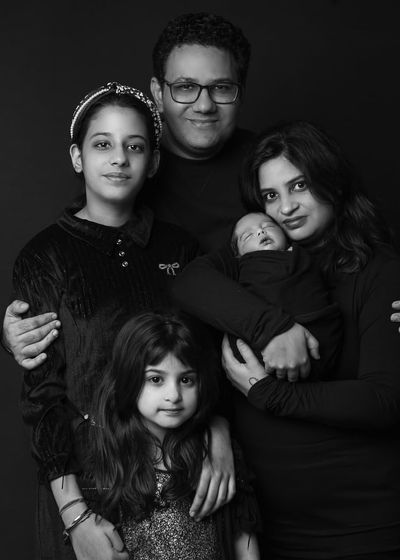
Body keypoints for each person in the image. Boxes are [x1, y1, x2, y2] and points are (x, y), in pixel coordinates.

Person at [2, 12, 400, 373]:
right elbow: (80, 271)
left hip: (279, 378)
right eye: (186, 87)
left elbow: (348, 243)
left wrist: (398, 303)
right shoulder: (128, 171)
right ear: (158, 92)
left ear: (240, 92)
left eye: (221, 87)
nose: (204, 105)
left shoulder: (270, 167)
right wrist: (16, 335)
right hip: (170, 397)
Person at [172, 121, 400, 559]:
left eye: (299, 185)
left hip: (361, 527)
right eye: (270, 195)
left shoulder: (381, 271)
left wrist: (270, 394)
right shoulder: (259, 251)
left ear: (331, 180)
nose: (285, 207)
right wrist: (272, 328)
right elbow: (189, 282)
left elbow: (383, 402)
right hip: (269, 526)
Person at [11, 82, 233, 560]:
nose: (118, 159)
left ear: (152, 161)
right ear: (78, 157)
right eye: (102, 144)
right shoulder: (45, 256)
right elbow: (42, 396)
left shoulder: (180, 248)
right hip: (85, 490)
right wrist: (76, 517)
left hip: (180, 484)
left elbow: (207, 363)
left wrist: (219, 433)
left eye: (134, 146)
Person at [86, 309, 260, 560]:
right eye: (156, 379)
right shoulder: (107, 452)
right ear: (129, 378)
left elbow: (243, 536)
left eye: (186, 380)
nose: (174, 395)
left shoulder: (214, 453)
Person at [226, 211, 342, 380]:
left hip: (316, 329)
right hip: (265, 346)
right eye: (248, 236)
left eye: (269, 226)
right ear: (239, 255)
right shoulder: (248, 269)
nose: (260, 232)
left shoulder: (302, 257)